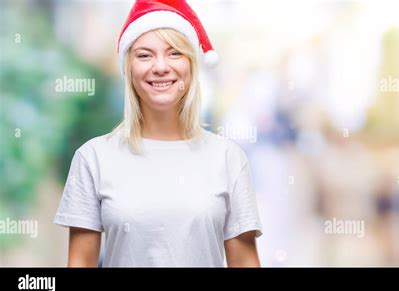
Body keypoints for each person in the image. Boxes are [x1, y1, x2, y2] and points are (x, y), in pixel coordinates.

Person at [54, 0, 263, 267]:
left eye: (174, 53)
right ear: (128, 67)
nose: (161, 66)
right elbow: (80, 263)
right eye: (144, 55)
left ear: (192, 65)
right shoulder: (93, 158)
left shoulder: (229, 159)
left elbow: (245, 262)